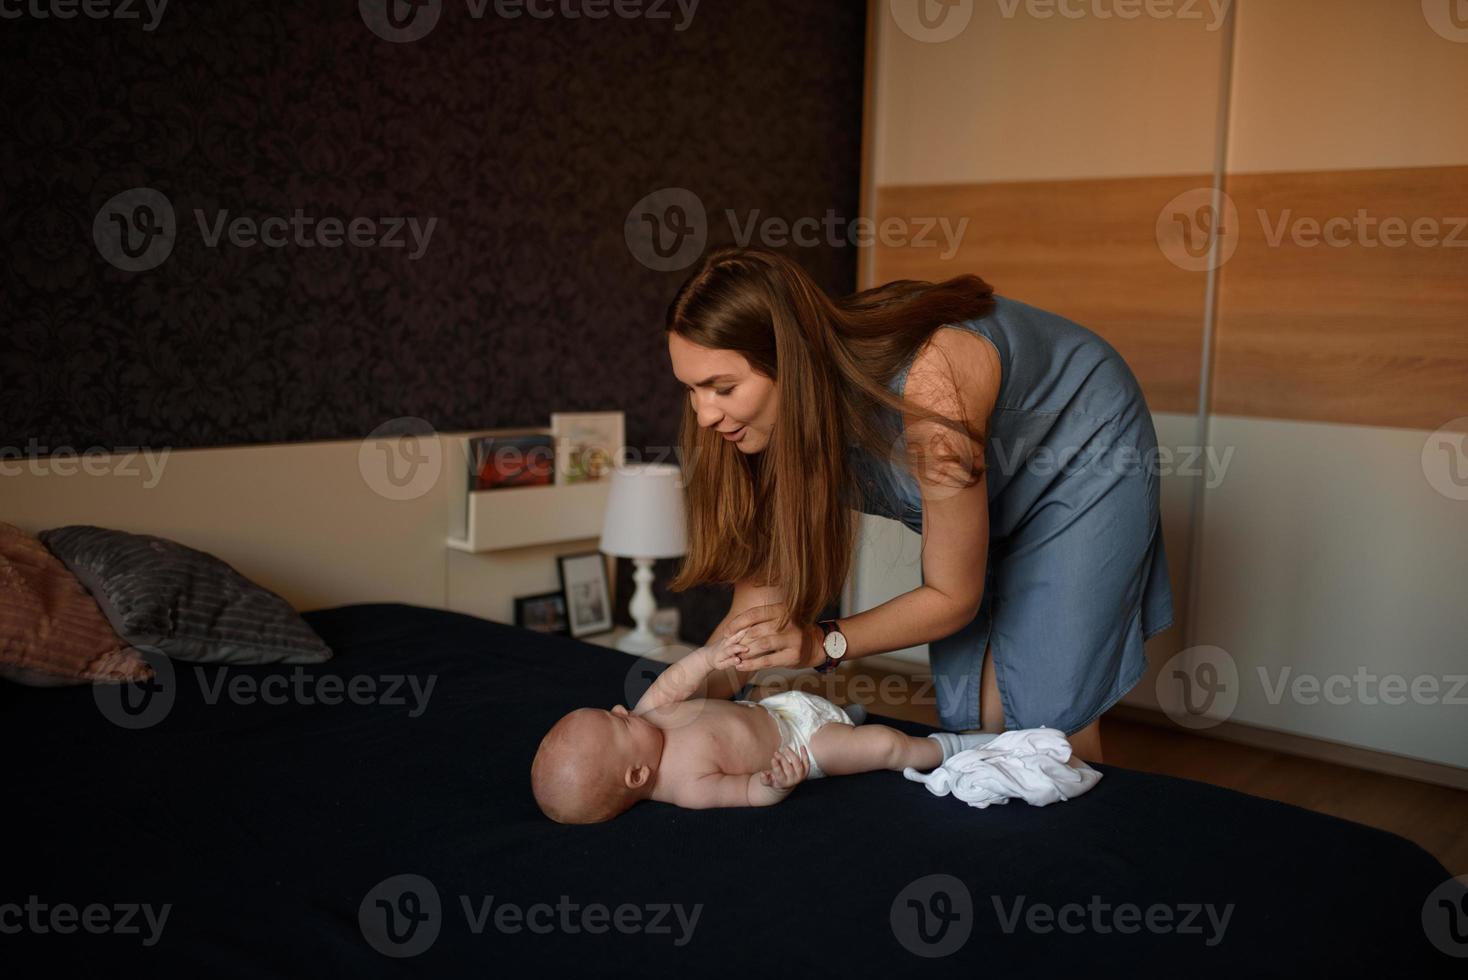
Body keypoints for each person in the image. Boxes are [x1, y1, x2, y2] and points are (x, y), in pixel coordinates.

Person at [662, 247, 1174, 762]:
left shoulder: (933, 392)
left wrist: (822, 644)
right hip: (986, 469)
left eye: (722, 388)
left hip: (1082, 447)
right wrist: (661, 721)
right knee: (975, 716)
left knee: (1042, 726)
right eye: (691, 390)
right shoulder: (760, 431)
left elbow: (953, 596)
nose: (704, 414)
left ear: (790, 365)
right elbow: (757, 616)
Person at [531, 629, 990, 824]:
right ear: (637, 775)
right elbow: (745, 792)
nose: (619, 709)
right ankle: (951, 748)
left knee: (783, 687)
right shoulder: (686, 786)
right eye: (617, 726)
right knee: (883, 746)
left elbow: (676, 680)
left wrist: (709, 658)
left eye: (609, 711)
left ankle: (846, 712)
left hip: (779, 707)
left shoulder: (648, 714)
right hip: (806, 745)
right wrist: (776, 784)